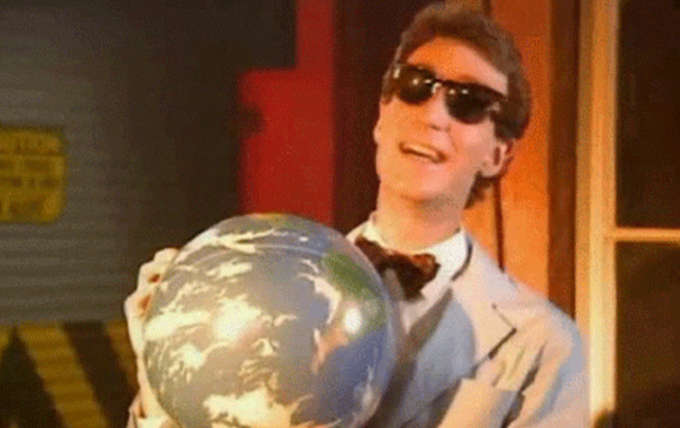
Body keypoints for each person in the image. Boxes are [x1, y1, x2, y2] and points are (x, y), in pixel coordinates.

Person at [125, 3, 587, 427]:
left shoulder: (544, 343)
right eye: (415, 86)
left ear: (497, 155)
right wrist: (160, 384)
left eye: (469, 102)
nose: (433, 115)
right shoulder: (255, 284)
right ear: (382, 116)